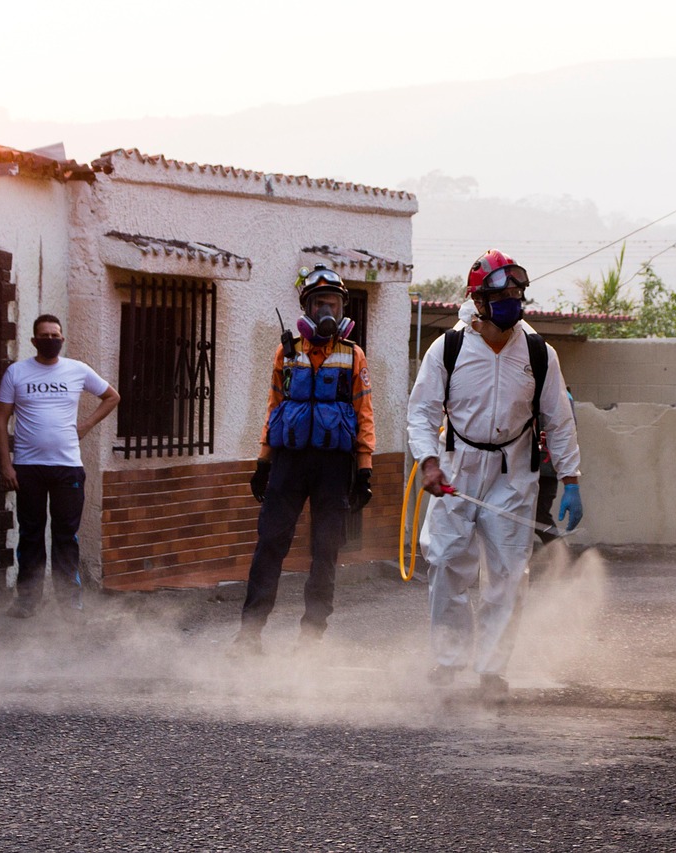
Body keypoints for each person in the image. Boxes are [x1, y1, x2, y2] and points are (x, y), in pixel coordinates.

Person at [406, 249, 584, 701]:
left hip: (513, 473)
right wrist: (428, 460)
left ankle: (491, 670)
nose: (512, 300)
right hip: (457, 466)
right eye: (501, 293)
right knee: (447, 563)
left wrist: (571, 479)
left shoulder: (540, 354)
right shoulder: (448, 348)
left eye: (517, 292)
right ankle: (448, 660)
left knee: (507, 575)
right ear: (478, 301)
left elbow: (559, 420)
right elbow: (422, 412)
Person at [233, 265, 376, 654]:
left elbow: (364, 413)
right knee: (270, 544)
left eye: (332, 302)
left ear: (342, 307)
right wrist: (263, 462)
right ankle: (249, 635)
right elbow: (274, 406)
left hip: (334, 467)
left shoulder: (353, 355)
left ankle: (311, 638)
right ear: (306, 309)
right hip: (289, 463)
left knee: (325, 550)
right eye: (318, 303)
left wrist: (364, 470)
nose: (325, 310)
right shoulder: (287, 351)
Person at [0, 314, 120, 619]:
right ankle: (27, 601)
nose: (50, 339)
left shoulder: (77, 370)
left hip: (67, 468)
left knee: (66, 537)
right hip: (27, 467)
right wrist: (6, 465)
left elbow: (111, 396)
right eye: (44, 335)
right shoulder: (17, 372)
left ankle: (70, 604)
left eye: (55, 335)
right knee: (31, 534)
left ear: (62, 339)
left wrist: (86, 425)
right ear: (34, 340)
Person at [534, 387, 576, 547]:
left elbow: (565, 434)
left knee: (538, 516)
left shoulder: (560, 396)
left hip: (545, 467)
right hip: (538, 465)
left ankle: (560, 554)